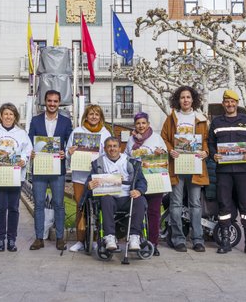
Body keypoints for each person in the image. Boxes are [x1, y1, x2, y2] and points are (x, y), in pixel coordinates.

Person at [207, 89, 246, 256]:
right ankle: (225, 241)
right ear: (223, 104)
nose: (230, 104)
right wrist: (213, 154)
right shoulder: (216, 123)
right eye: (227, 101)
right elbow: (210, 143)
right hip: (223, 172)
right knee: (224, 206)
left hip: (243, 171)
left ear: (237, 103)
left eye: (232, 101)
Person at [160, 85, 209, 253]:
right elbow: (164, 138)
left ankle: (197, 239)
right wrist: (170, 150)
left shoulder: (201, 118)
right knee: (175, 203)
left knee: (195, 204)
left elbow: (207, 141)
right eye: (182, 97)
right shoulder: (172, 118)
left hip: (195, 166)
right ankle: (178, 239)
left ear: (193, 99)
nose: (185, 100)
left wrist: (205, 152)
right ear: (178, 100)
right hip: (177, 166)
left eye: (188, 97)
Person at [0, 103, 32, 252]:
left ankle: (11, 239)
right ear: (1, 116)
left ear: (15, 116)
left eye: (11, 114)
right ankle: (0, 238)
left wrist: (24, 159)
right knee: (1, 206)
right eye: (6, 114)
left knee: (14, 207)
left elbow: (27, 149)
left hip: (16, 174)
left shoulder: (21, 133)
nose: (8, 117)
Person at [28, 90, 72, 251]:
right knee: (39, 204)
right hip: (39, 168)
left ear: (59, 103)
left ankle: (60, 238)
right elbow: (29, 141)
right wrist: (30, 151)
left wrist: (64, 152)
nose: (52, 104)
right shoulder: (35, 120)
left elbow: (70, 142)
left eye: (55, 101)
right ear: (44, 102)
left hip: (57, 168)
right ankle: (39, 238)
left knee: (58, 204)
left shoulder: (66, 122)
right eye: (49, 101)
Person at [87, 137, 147, 251]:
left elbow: (142, 181)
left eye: (115, 146)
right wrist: (89, 185)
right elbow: (89, 181)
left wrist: (139, 190)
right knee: (106, 199)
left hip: (128, 197)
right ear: (105, 149)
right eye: (109, 146)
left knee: (140, 200)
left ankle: (134, 236)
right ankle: (110, 236)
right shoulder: (98, 163)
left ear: (120, 148)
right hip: (110, 199)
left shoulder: (131, 162)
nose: (112, 149)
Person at [66, 104, 111, 252]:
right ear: (86, 116)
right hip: (80, 176)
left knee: (98, 207)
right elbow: (67, 153)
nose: (93, 117)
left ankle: (96, 239)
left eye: (97, 114)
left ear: (101, 117)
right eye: (91, 114)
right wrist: (70, 152)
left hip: (97, 176)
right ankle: (80, 240)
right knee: (81, 206)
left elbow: (110, 154)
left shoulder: (105, 133)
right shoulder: (77, 132)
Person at [124, 112, 167, 256]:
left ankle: (153, 243)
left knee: (154, 212)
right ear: (134, 125)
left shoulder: (157, 138)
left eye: (143, 123)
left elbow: (164, 155)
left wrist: (160, 152)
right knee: (138, 211)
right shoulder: (131, 140)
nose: (141, 126)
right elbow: (126, 157)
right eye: (138, 123)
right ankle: (139, 240)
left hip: (154, 179)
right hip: (137, 180)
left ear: (148, 124)